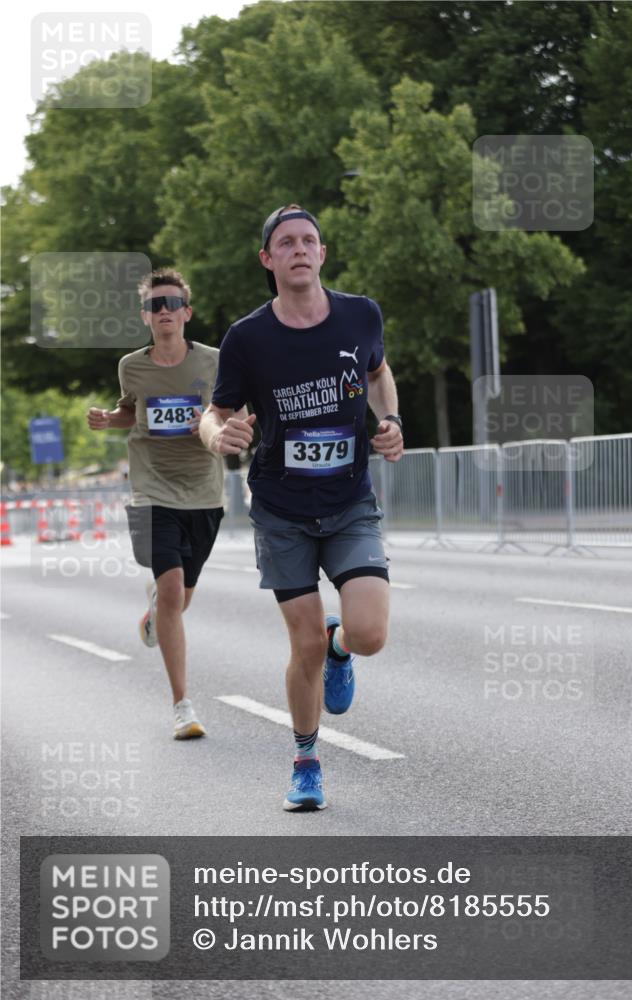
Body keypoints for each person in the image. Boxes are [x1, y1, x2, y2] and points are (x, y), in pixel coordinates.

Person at [200, 204, 403, 810]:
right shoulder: (248, 337)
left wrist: (389, 419)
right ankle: (307, 760)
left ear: (321, 253)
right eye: (285, 242)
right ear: (268, 259)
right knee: (304, 644)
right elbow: (215, 413)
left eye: (308, 241)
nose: (298, 249)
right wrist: (219, 436)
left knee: (367, 634)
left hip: (348, 503)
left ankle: (344, 648)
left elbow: (379, 372)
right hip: (282, 509)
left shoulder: (360, 314)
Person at [87, 268, 236, 739]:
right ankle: (182, 705)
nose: (164, 311)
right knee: (171, 590)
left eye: (172, 303)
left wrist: (212, 423)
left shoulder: (215, 362)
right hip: (150, 488)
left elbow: (239, 410)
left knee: (180, 598)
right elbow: (131, 408)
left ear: (187, 313)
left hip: (204, 493)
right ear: (145, 316)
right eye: (155, 305)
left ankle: (155, 614)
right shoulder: (132, 366)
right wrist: (109, 419)